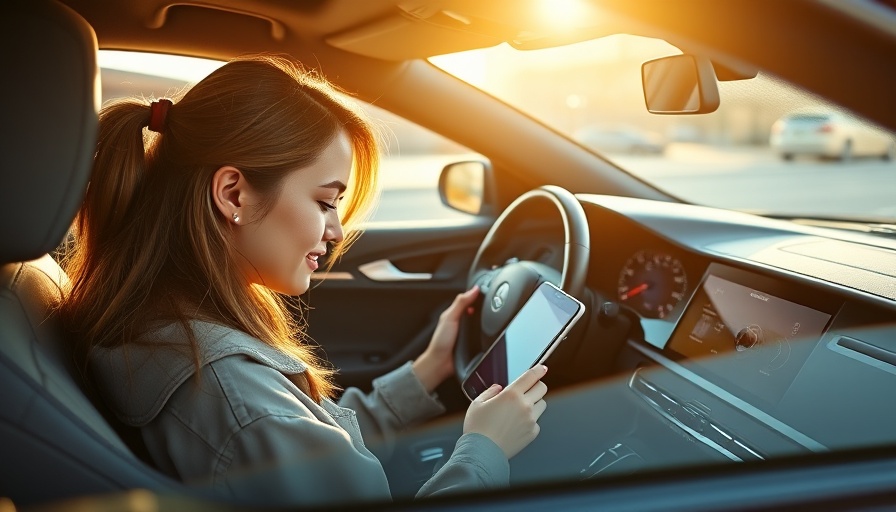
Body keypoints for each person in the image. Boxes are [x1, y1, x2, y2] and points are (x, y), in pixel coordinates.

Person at [60, 54, 548, 507]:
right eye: (325, 202)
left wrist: (425, 372)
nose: (336, 231)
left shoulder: (161, 330)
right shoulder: (236, 398)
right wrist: (485, 450)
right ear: (233, 194)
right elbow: (269, 429)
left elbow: (304, 446)